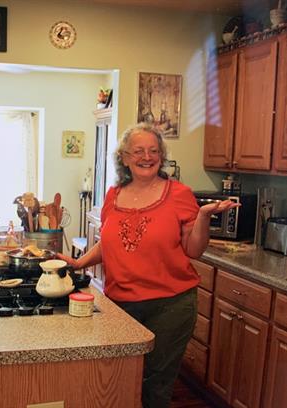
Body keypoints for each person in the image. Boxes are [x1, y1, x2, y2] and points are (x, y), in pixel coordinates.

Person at [57, 123, 238, 408]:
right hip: (120, 305)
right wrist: (80, 262)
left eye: (154, 151)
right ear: (125, 158)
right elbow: (110, 243)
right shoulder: (113, 195)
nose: (147, 156)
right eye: (138, 151)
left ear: (161, 157)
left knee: (155, 385)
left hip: (170, 306)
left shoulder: (179, 194)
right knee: (118, 379)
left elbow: (194, 249)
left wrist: (203, 217)